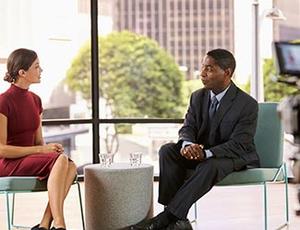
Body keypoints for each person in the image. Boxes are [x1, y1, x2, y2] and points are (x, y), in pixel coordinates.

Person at [130, 48, 260, 230]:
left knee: (210, 165)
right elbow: (188, 127)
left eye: (209, 69)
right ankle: (177, 220)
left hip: (233, 155)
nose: (202, 73)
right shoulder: (197, 97)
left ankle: (164, 220)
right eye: (202, 67)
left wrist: (206, 153)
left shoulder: (247, 104)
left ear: (227, 73)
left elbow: (240, 143)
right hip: (201, 151)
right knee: (167, 150)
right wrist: (188, 145)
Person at [0, 48, 77, 230]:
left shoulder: (36, 100)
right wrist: (41, 151)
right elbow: (1, 149)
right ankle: (59, 224)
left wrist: (48, 150)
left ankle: (44, 224)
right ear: (22, 72)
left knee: (71, 166)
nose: (41, 70)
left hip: (28, 158)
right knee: (63, 160)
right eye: (36, 67)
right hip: (7, 162)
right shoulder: (3, 101)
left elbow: (38, 142)